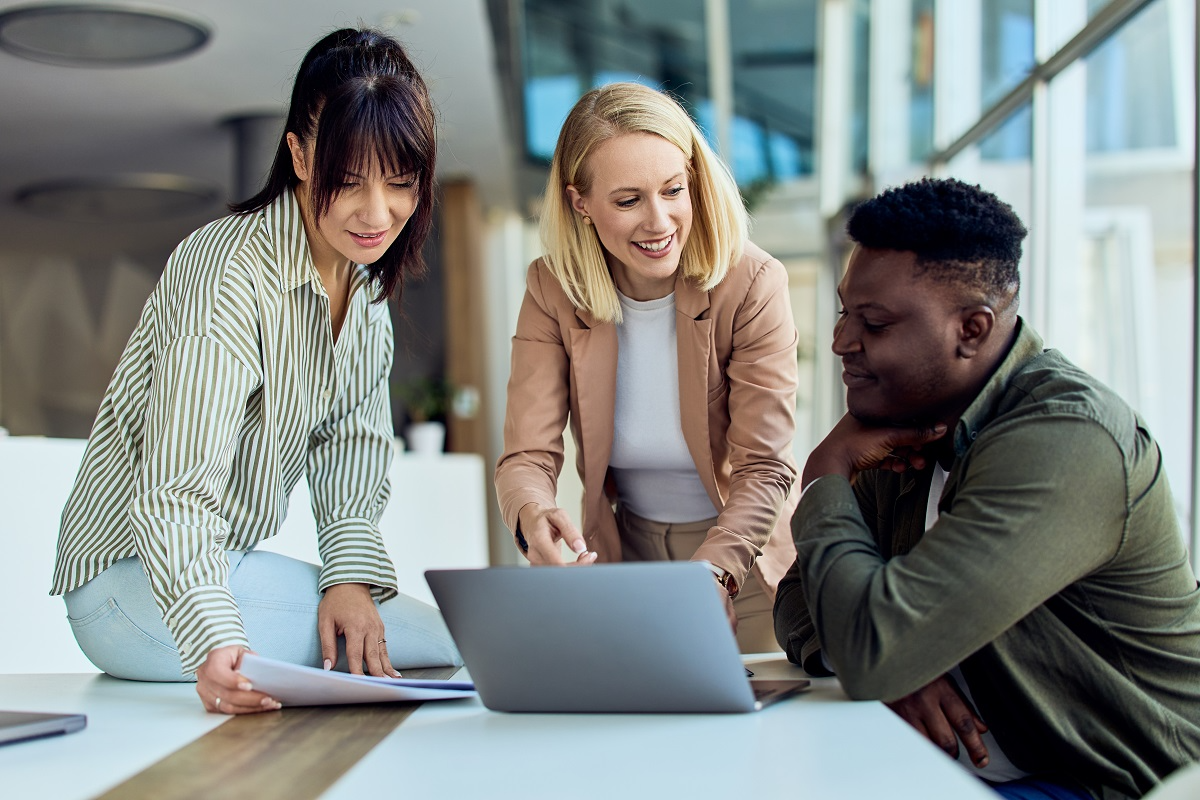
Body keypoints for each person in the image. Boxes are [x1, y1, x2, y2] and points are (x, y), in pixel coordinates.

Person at [51, 28, 460, 715]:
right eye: (349, 181)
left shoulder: (363, 297)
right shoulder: (229, 274)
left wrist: (350, 579)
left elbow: (350, 450)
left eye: (400, 183)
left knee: (417, 639)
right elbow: (174, 489)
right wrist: (214, 637)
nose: (376, 212)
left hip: (221, 567)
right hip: (129, 589)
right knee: (446, 641)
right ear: (299, 155)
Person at [774, 177, 1200, 798]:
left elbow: (874, 646)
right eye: (845, 311)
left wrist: (825, 475)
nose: (842, 341)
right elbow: (800, 598)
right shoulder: (907, 423)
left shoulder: (1067, 441)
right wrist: (897, 666)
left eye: (874, 322)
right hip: (953, 767)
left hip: (1099, 782)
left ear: (971, 330)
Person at [495, 82, 799, 652]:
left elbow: (765, 467)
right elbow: (527, 456)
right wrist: (532, 512)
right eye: (629, 200)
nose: (660, 222)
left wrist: (714, 571)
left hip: (743, 563)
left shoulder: (753, 283)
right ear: (579, 202)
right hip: (625, 558)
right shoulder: (551, 288)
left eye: (673, 191)